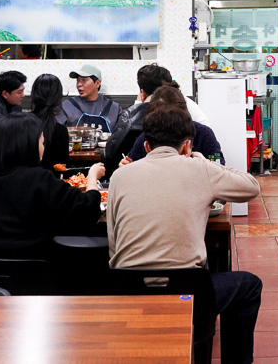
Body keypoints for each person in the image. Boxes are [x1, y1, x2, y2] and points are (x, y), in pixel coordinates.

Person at [107, 108, 262, 364]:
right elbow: (251, 187)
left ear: (146, 146)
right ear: (186, 145)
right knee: (249, 285)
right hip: (189, 297)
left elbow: (114, 243)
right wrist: (205, 162)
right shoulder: (199, 168)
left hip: (129, 294)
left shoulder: (119, 176)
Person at [0, 113, 104, 258]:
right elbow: (88, 212)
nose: (43, 149)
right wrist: (92, 177)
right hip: (34, 273)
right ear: (28, 146)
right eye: (41, 142)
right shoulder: (41, 180)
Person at [121, 86, 224, 165]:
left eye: (176, 122)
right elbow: (130, 164)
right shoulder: (147, 137)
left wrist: (207, 165)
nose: (170, 128)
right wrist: (127, 167)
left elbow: (220, 168)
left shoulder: (203, 134)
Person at [105, 64, 171, 172]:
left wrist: (137, 105)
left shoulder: (130, 117)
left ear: (142, 93)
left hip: (131, 174)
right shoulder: (181, 112)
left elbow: (110, 154)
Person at [59, 65, 122, 132]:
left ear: (97, 83)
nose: (79, 84)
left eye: (84, 80)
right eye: (77, 81)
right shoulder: (67, 106)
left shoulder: (113, 108)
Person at [29, 73, 71, 170]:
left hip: (21, 182)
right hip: (51, 183)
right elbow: (63, 166)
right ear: (58, 98)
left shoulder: (20, 123)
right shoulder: (60, 131)